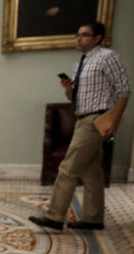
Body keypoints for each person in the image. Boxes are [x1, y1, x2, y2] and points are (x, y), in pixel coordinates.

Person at [29, 22, 130, 231]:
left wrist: (113, 121)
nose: (79, 38)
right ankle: (94, 218)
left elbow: (124, 90)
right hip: (82, 118)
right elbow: (74, 98)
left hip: (96, 119)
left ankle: (55, 216)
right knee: (91, 170)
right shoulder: (80, 64)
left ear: (98, 38)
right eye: (78, 35)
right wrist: (68, 90)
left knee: (68, 167)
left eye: (85, 35)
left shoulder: (107, 57)